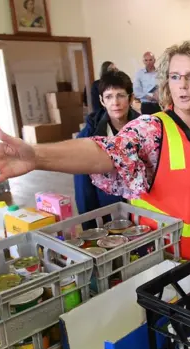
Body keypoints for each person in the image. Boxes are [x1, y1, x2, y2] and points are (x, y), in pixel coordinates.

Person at [0, 40, 190, 261]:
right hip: (180, 262)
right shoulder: (152, 129)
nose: (182, 86)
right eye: (175, 76)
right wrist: (37, 156)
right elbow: (105, 152)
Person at [74, 71, 141, 230]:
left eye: (120, 95)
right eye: (109, 96)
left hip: (142, 211)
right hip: (107, 210)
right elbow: (83, 189)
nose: (115, 102)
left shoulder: (145, 130)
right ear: (101, 100)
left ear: (131, 98)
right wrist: (90, 228)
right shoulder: (88, 136)